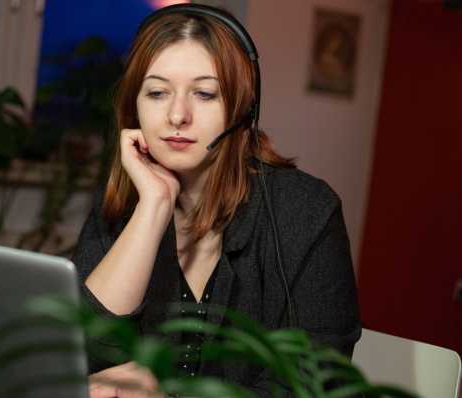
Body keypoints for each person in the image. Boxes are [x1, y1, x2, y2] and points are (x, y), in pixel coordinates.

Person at [71, 4, 361, 397]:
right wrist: (153, 206)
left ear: (242, 109)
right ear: (133, 107)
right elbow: (75, 354)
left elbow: (314, 385)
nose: (177, 115)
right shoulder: (123, 205)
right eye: (157, 92)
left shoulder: (307, 211)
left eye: (205, 94)